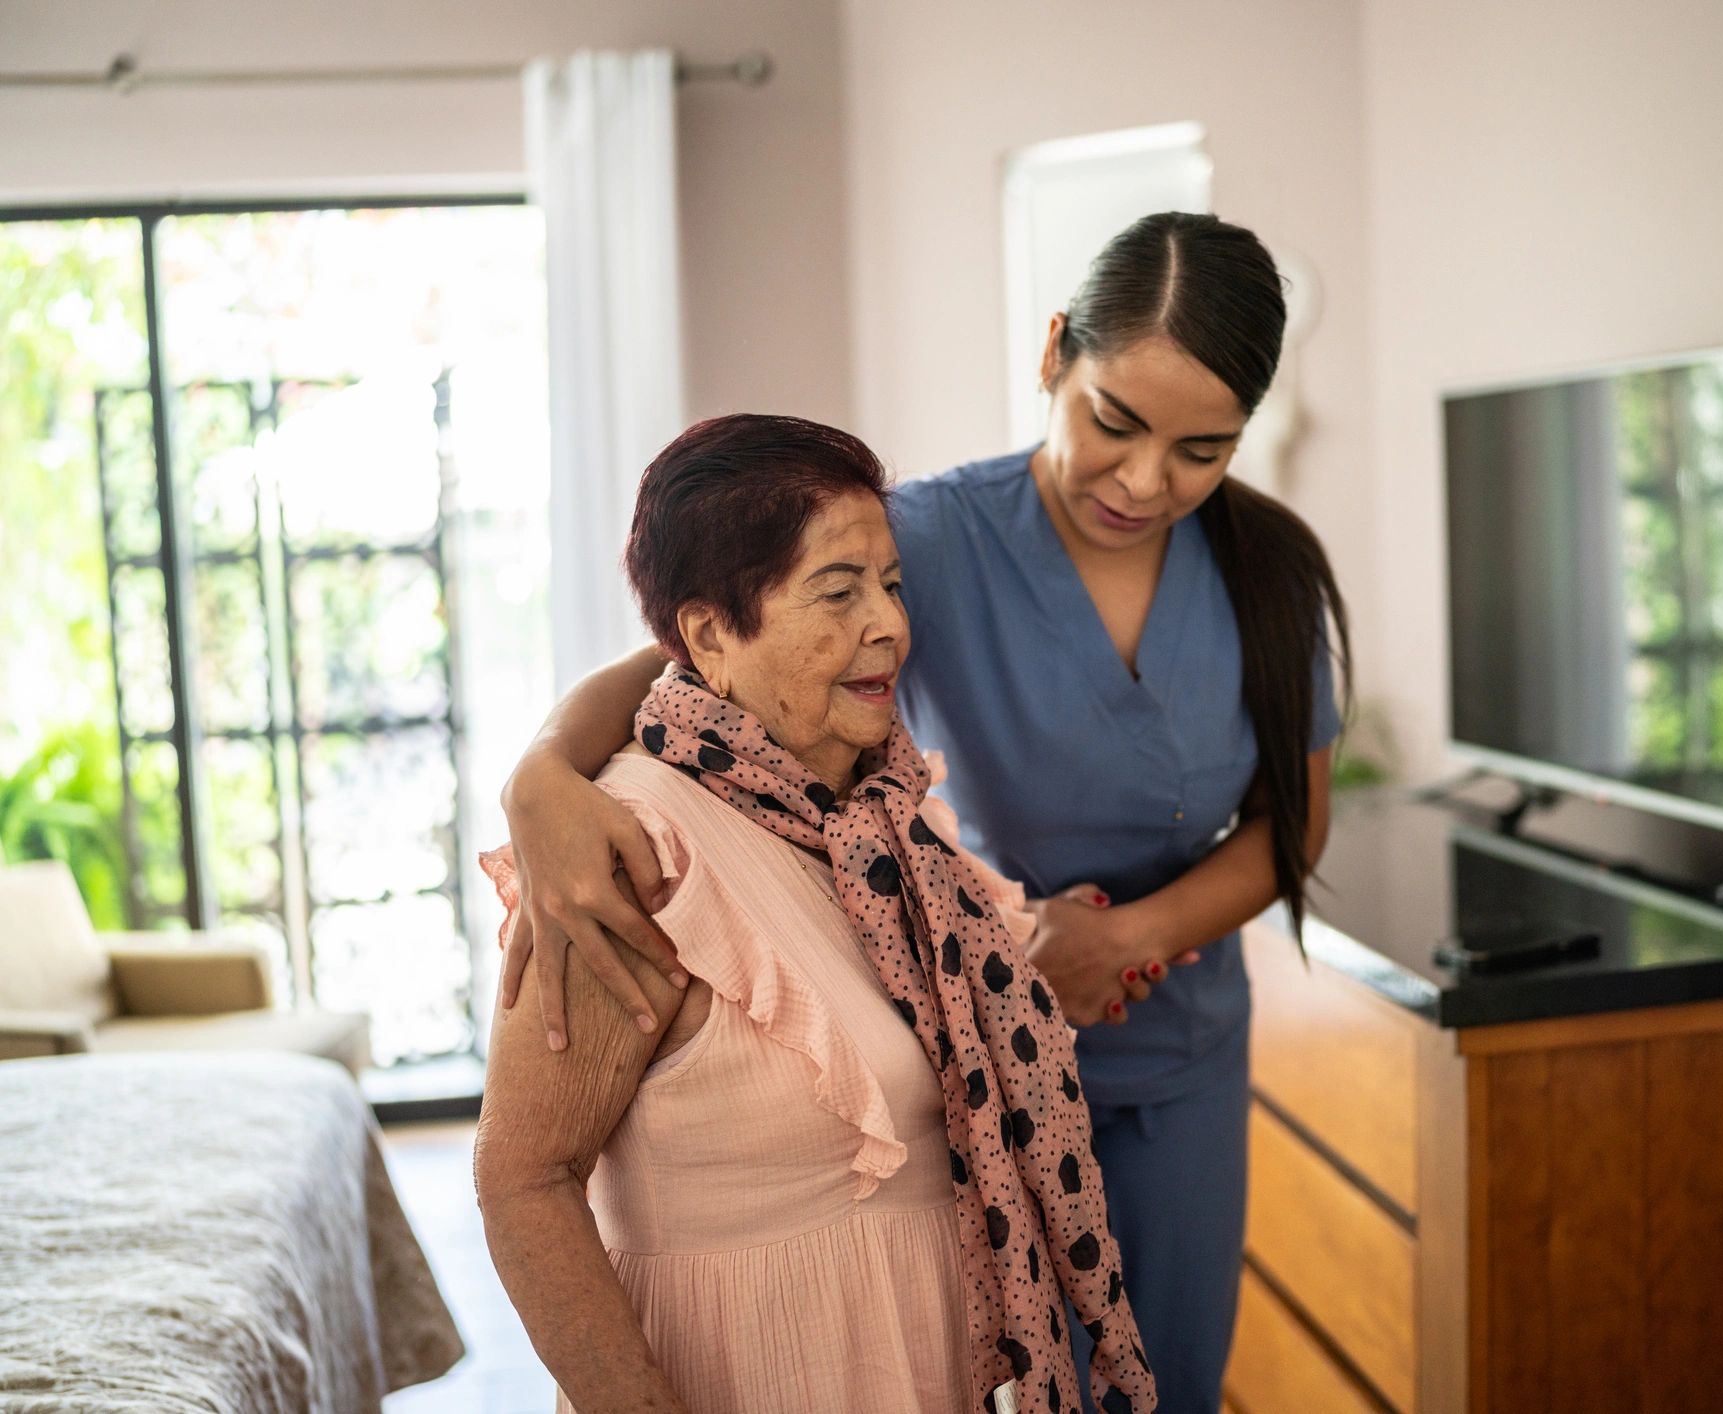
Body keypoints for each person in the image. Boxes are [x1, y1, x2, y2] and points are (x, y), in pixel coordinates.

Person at [498, 213, 1350, 1411]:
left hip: (1176, 1046)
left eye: (1201, 449)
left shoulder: (1269, 574)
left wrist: (1131, 938)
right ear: (1054, 354)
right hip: (957, 1029)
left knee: (1167, 1384)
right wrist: (540, 774)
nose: (1146, 480)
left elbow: (1293, 826)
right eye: (1114, 422)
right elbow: (698, 655)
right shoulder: (936, 541)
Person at [472, 413, 1155, 1414]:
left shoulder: (876, 824)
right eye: (836, 593)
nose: (886, 625)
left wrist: (1025, 990)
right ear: (709, 635)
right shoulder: (627, 851)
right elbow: (522, 1179)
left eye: (889, 585)